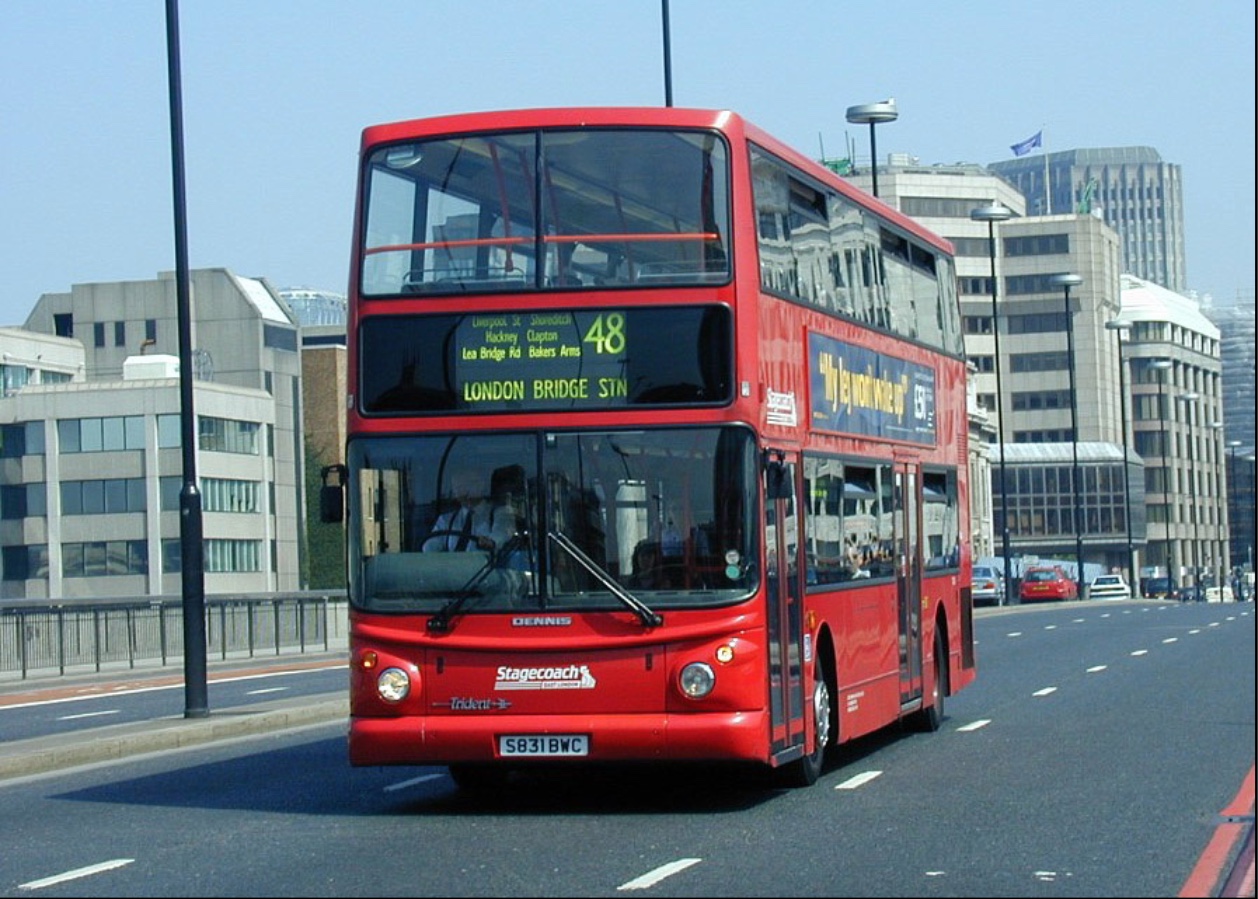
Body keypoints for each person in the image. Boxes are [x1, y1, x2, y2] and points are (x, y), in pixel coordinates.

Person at [422, 470, 514, 552]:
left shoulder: (501, 512)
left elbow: (502, 532)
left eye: (468, 485)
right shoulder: (446, 520)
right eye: (458, 487)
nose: (463, 491)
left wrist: (491, 542)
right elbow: (430, 546)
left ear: (481, 485)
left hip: (488, 569)